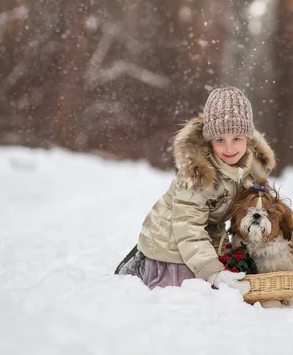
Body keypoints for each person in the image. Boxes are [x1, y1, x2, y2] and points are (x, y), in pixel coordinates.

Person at [115, 86, 276, 295]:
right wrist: (212, 271)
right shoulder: (198, 174)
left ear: (248, 139)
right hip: (171, 243)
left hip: (206, 236)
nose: (229, 149)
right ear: (209, 140)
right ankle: (142, 265)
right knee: (193, 291)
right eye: (220, 140)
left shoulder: (246, 170)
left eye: (237, 138)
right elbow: (187, 226)